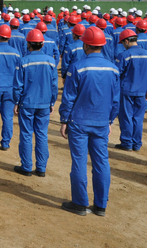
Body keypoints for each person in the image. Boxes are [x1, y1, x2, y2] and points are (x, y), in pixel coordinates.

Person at [59, 26, 120, 217]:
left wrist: (64, 120)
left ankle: (80, 204)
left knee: (79, 162)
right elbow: (115, 100)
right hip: (101, 122)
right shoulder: (113, 68)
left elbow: (69, 97)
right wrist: (110, 120)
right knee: (101, 162)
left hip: (79, 121)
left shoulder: (78, 67)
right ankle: (100, 206)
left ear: (85, 45)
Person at [13, 29, 58, 177]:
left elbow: (18, 85)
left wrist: (16, 102)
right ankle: (41, 168)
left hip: (27, 103)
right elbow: (54, 85)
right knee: (42, 134)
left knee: (26, 135)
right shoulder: (51, 61)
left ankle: (26, 167)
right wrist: (52, 102)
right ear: (42, 44)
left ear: (28, 44)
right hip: (44, 104)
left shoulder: (23, 61)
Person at [114, 29, 147, 151]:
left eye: (123, 43)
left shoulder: (125, 55)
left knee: (126, 117)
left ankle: (127, 143)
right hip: (142, 92)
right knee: (138, 118)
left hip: (127, 91)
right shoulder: (146, 53)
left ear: (126, 41)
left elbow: (116, 74)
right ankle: (136, 144)